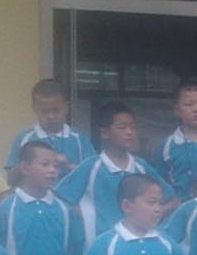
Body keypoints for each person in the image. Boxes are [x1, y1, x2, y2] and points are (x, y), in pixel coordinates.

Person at [56, 102, 173, 238]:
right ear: (105, 133)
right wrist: (86, 218)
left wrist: (155, 216)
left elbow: (172, 199)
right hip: (100, 241)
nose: (129, 132)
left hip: (138, 241)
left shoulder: (141, 167)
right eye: (122, 127)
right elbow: (60, 198)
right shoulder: (91, 166)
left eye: (132, 127)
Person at [5, 78, 94, 176]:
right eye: (44, 111)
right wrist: (29, 167)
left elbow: (93, 174)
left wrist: (68, 166)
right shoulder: (24, 138)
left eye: (56, 110)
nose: (51, 116)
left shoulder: (79, 139)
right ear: (34, 109)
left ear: (67, 107)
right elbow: (10, 177)